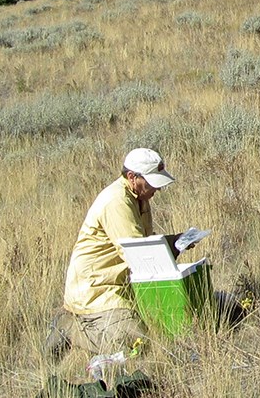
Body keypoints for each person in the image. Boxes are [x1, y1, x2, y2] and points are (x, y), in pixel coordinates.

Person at [45, 148, 182, 361]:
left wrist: (178, 241)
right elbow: (139, 255)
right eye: (152, 182)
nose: (157, 189)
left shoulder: (140, 197)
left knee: (165, 324)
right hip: (96, 290)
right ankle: (72, 329)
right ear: (132, 177)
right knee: (137, 341)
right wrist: (173, 248)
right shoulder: (116, 201)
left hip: (122, 285)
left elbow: (145, 245)